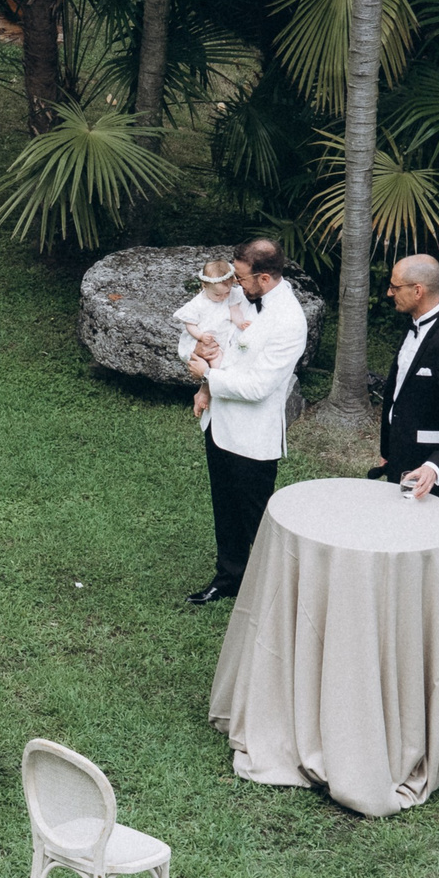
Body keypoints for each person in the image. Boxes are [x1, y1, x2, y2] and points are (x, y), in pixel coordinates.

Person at [185, 238, 309, 606]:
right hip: (219, 423)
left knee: (258, 519)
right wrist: (206, 386)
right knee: (225, 507)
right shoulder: (243, 298)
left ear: (265, 278)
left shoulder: (288, 321)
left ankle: (280, 594)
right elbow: (231, 351)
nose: (235, 284)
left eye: (240, 277)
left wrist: (210, 374)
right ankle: (229, 577)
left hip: (253, 436)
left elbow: (259, 387)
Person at [370, 254, 439, 501]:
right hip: (398, 454)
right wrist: (388, 449)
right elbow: (398, 392)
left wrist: (434, 466)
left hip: (424, 466)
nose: (389, 293)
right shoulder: (413, 325)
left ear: (417, 291)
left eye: (395, 287)